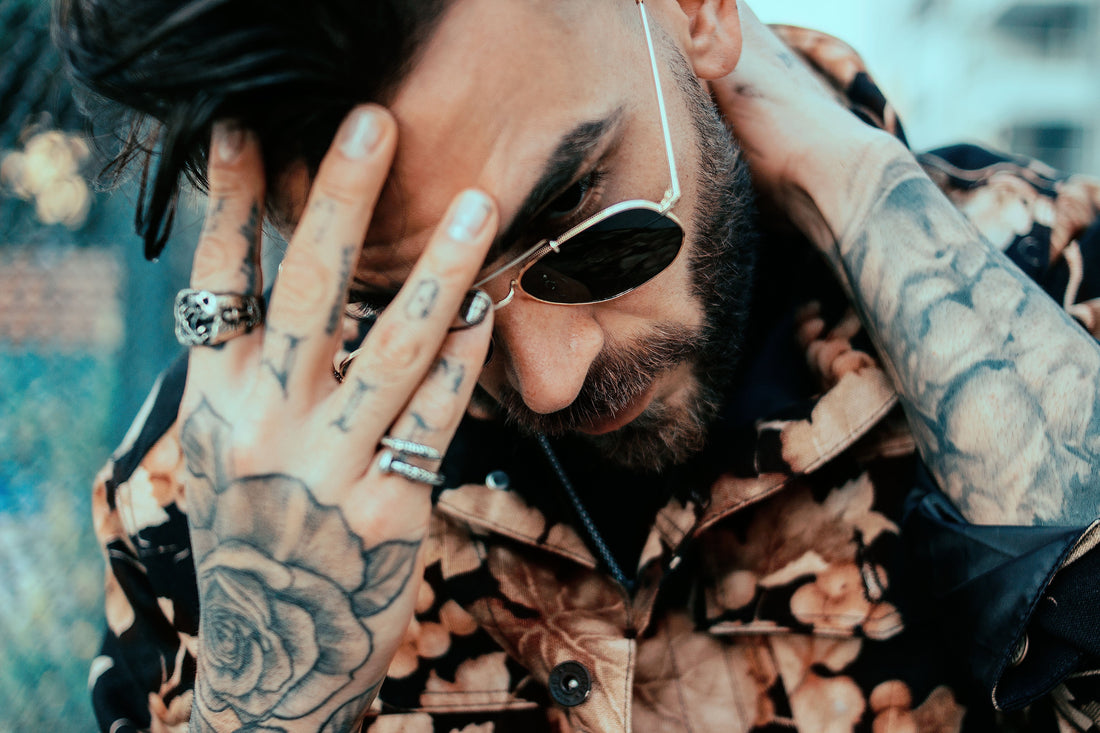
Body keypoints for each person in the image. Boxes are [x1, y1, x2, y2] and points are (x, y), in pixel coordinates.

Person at [55, 0, 1100, 730]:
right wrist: (269, 708)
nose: (549, 380)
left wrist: (851, 176)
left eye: (577, 216)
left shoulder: (1055, 287)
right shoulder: (208, 503)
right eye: (421, 305)